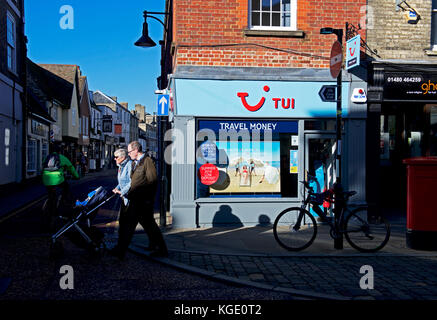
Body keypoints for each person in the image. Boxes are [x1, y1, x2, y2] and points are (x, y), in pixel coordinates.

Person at [109, 141, 168, 260]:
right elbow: (132, 181)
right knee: (141, 225)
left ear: (136, 150)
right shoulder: (135, 163)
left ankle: (160, 250)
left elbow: (152, 181)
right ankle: (153, 247)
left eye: (130, 151)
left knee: (134, 226)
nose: (128, 154)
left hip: (143, 201)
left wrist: (148, 199)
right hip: (134, 200)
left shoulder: (147, 161)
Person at [42, 144, 80, 229]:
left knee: (51, 195)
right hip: (58, 179)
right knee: (66, 187)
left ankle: (50, 207)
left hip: (46, 179)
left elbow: (43, 167)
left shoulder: (47, 157)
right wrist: (77, 176)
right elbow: (71, 168)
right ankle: (63, 200)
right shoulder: (62, 157)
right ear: (59, 151)